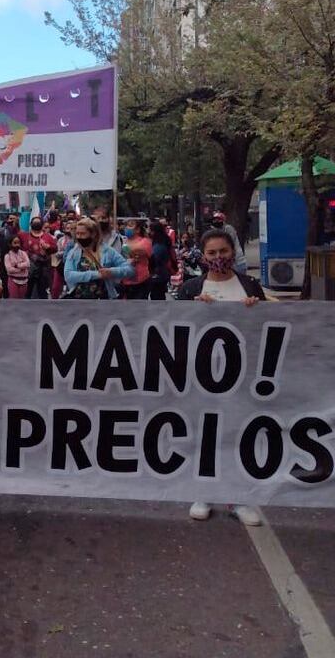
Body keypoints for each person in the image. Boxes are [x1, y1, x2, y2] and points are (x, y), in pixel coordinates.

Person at [177, 229, 265, 526]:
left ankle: (238, 498)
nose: (218, 258)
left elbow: (266, 330)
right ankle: (202, 492)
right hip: (201, 375)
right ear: (203, 257)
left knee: (238, 433)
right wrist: (194, 312)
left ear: (233, 252)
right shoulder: (190, 289)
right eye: (212, 253)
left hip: (241, 375)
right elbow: (173, 329)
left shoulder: (250, 285)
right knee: (205, 432)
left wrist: (255, 312)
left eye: (223, 252)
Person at [63, 218, 134, 299]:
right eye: (77, 234)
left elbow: (129, 270)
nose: (79, 237)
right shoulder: (73, 253)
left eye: (83, 234)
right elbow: (68, 275)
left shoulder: (108, 251)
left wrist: (112, 271)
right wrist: (96, 275)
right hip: (79, 300)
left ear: (93, 234)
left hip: (104, 300)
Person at [19, 215, 58, 298]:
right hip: (29, 268)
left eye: (38, 222)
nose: (36, 224)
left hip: (43, 268)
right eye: (35, 222)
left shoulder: (47, 236)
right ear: (31, 224)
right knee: (27, 291)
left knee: (42, 291)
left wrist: (48, 247)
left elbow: (55, 248)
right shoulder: (24, 236)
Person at [120, 218, 153, 300]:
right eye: (126, 226)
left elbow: (138, 250)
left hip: (140, 280)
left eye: (130, 226)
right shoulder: (123, 240)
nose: (126, 228)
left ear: (138, 229)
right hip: (125, 280)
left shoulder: (145, 241)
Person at [0, 214, 21, 294]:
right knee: (5, 283)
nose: (12, 220)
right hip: (4, 262)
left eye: (14, 219)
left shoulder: (20, 232)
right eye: (10, 218)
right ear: (7, 220)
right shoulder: (1, 232)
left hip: (17, 262)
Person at [148, 221, 176, 300]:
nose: (148, 232)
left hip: (158, 275)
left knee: (157, 296)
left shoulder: (158, 245)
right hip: (163, 274)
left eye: (150, 230)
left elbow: (154, 259)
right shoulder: (164, 240)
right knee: (160, 295)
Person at [2, 234, 31, 299]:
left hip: (24, 280)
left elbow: (28, 264)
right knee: (14, 300)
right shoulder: (7, 256)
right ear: (10, 244)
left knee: (22, 300)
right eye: (15, 243)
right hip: (13, 280)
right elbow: (9, 269)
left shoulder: (23, 253)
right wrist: (21, 269)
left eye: (18, 243)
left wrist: (17, 265)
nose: (17, 245)